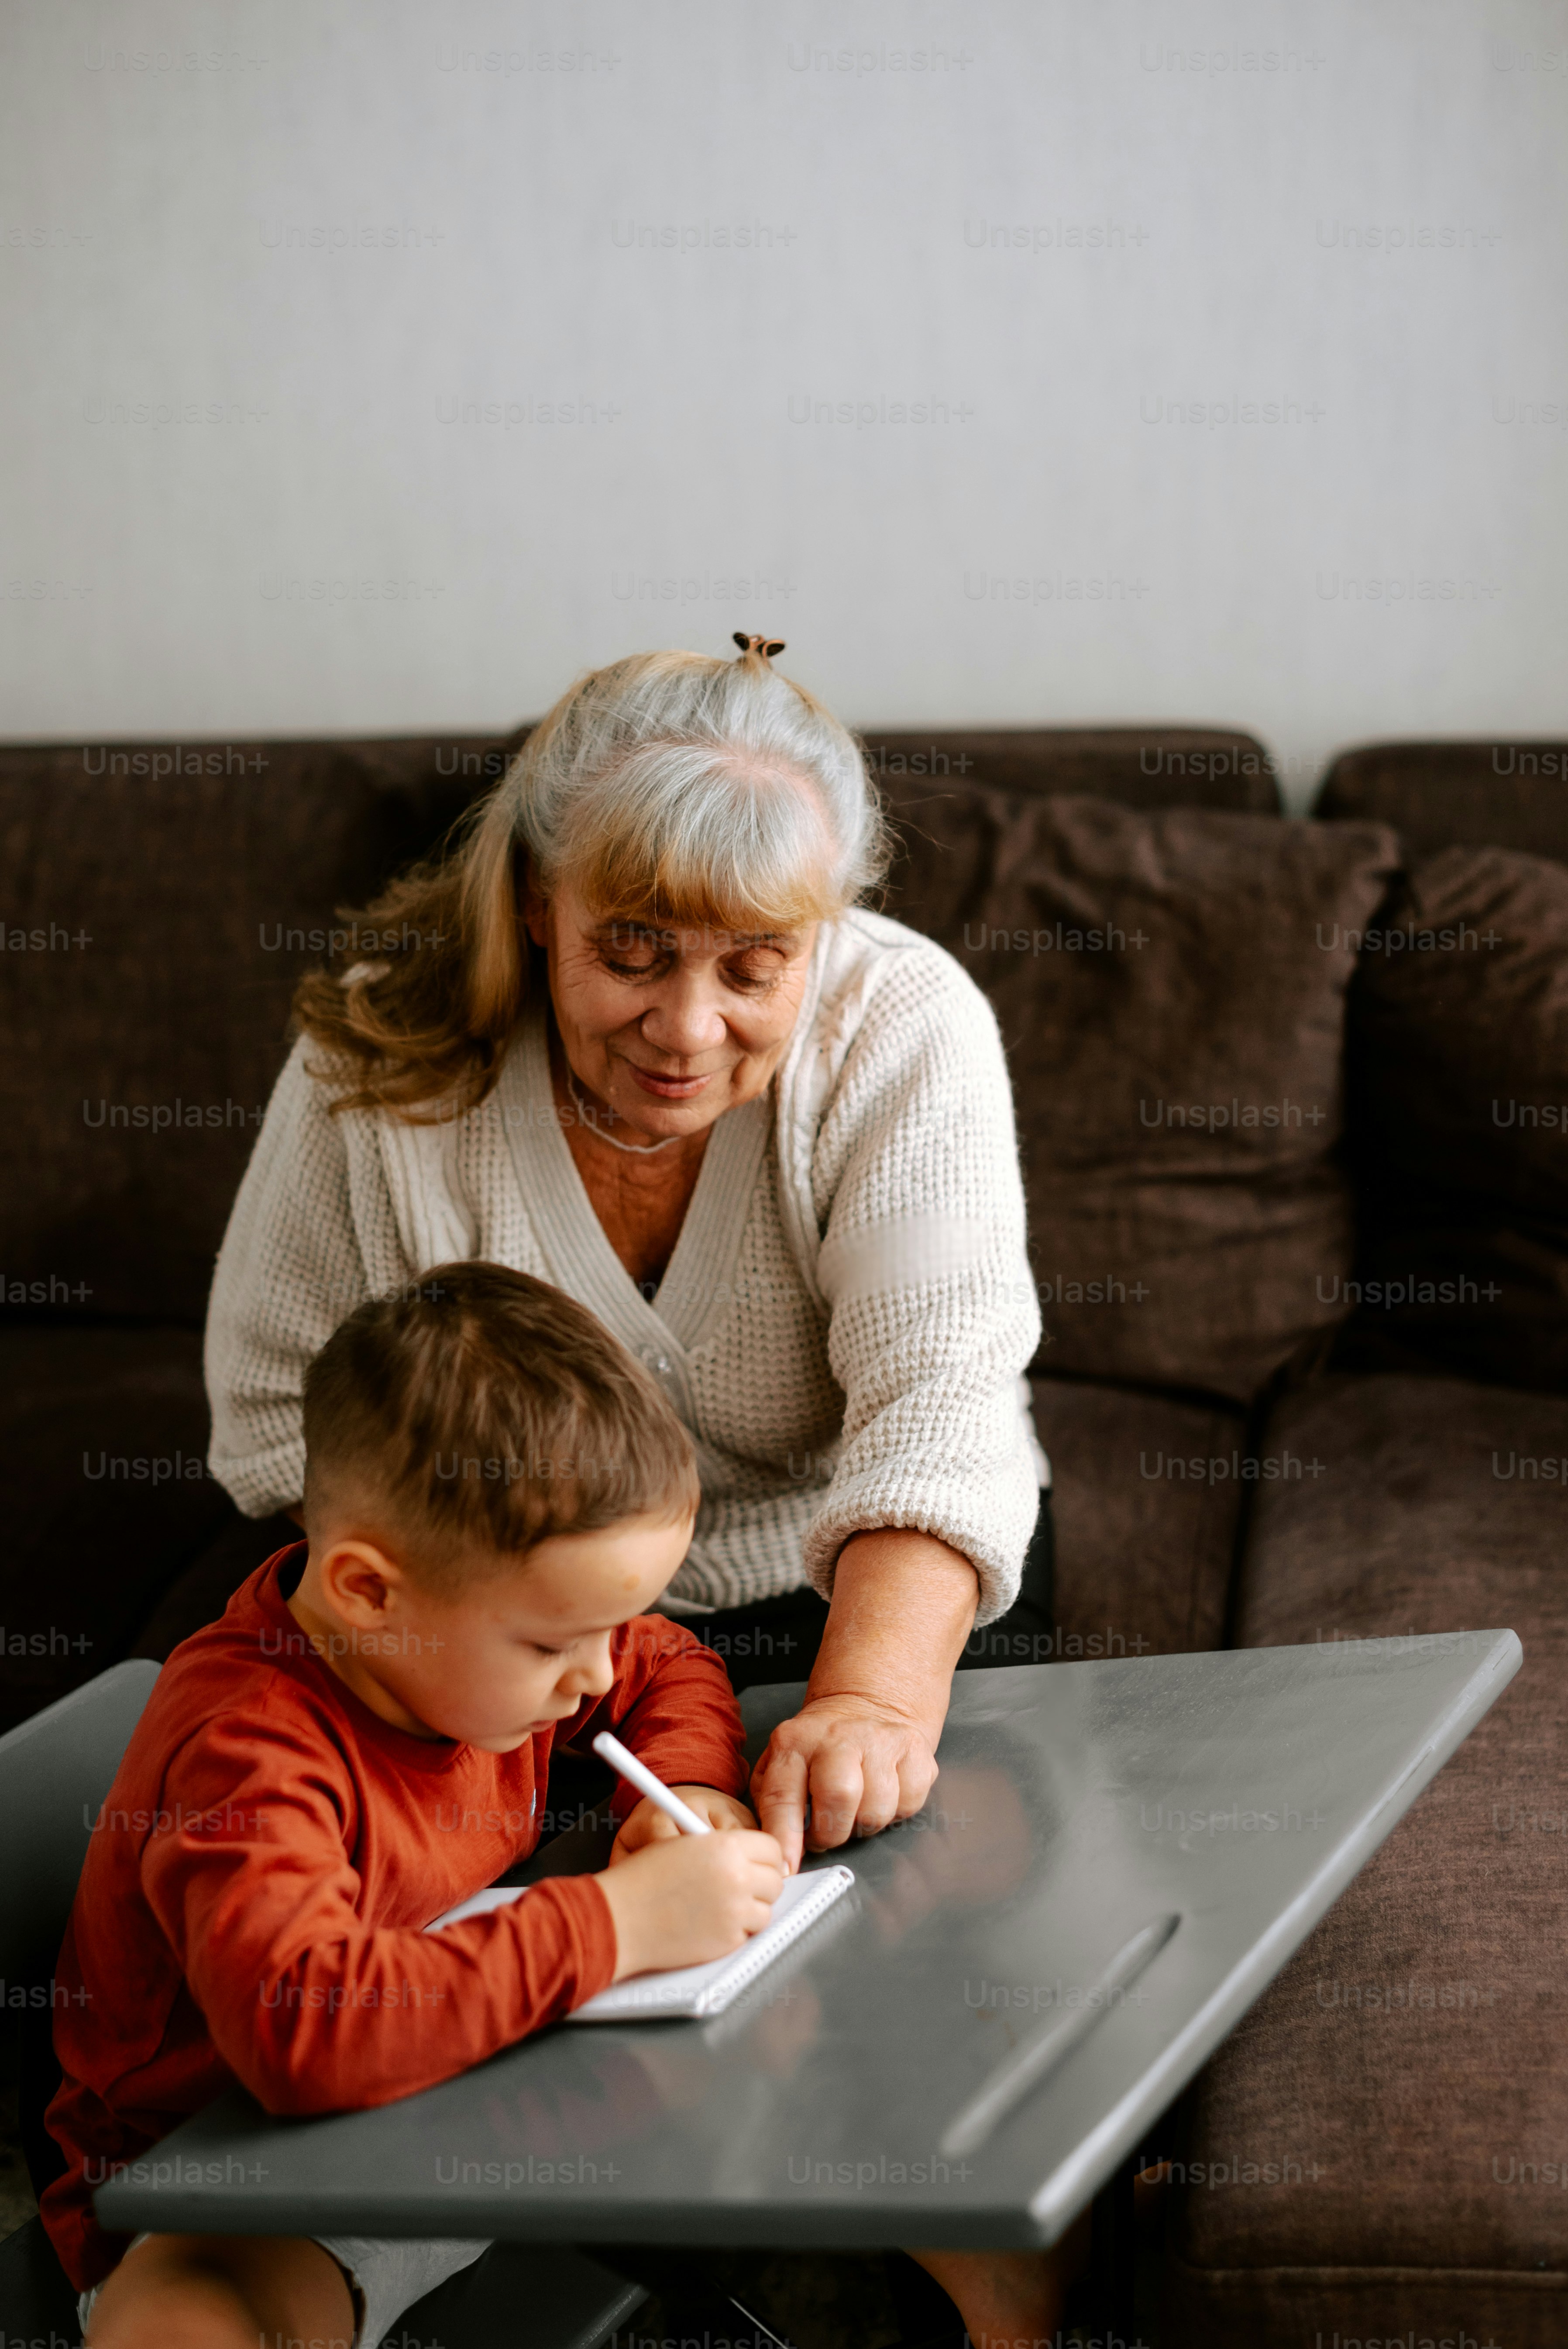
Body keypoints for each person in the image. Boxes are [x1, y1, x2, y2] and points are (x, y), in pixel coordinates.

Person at [53, 1266, 1076, 2349]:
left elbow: (664, 1662)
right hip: (260, 2174)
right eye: (552, 1645)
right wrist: (622, 1922)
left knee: (847, 2018)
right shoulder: (247, 1752)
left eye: (603, 1629)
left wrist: (689, 1787)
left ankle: (1010, 2271)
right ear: (367, 1591)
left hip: (496, 2087)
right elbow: (301, 2030)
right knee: (186, 2321)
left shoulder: (466, 1642)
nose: (593, 1675)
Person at [204, 636, 1052, 1871]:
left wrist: (869, 1704)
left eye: (754, 965)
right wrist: (514, 1635)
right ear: (538, 901)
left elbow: (940, 1408)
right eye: (633, 952)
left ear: (821, 931)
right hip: (500, 1615)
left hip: (858, 1584)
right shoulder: (375, 1046)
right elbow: (279, 1411)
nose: (688, 1029)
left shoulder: (902, 1028)